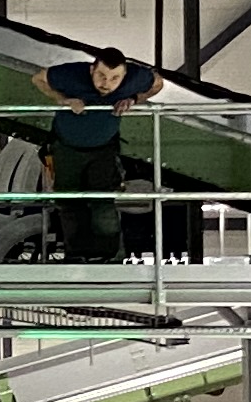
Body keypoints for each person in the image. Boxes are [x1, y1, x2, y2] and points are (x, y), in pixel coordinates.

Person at [37, 46, 159, 261]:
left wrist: (134, 99)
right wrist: (63, 99)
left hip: (104, 148)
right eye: (101, 75)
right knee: (68, 201)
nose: (106, 83)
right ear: (91, 69)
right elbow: (39, 78)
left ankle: (108, 256)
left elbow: (158, 83)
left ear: (125, 75)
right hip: (66, 147)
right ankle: (76, 255)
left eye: (114, 78)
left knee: (103, 201)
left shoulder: (135, 79)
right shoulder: (72, 75)